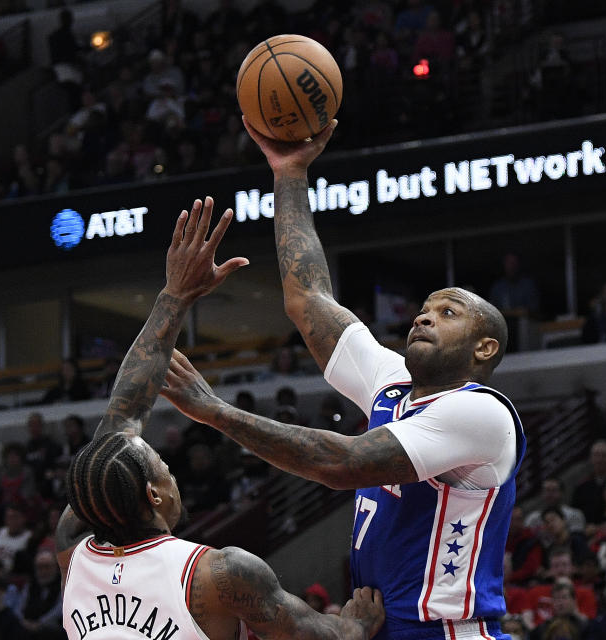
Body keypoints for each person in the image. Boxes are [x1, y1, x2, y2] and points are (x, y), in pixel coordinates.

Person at [161, 121, 523, 640]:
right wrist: (289, 172)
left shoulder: (482, 411)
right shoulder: (394, 385)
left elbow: (340, 462)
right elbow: (308, 300)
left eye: (448, 312)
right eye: (423, 309)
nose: (423, 317)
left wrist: (215, 411)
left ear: (484, 348)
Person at [56, 196, 383, 640]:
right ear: (153, 495)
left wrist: (175, 295)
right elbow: (319, 637)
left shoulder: (73, 555)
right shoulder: (218, 575)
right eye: (166, 469)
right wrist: (357, 626)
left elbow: (120, 424)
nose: (174, 476)